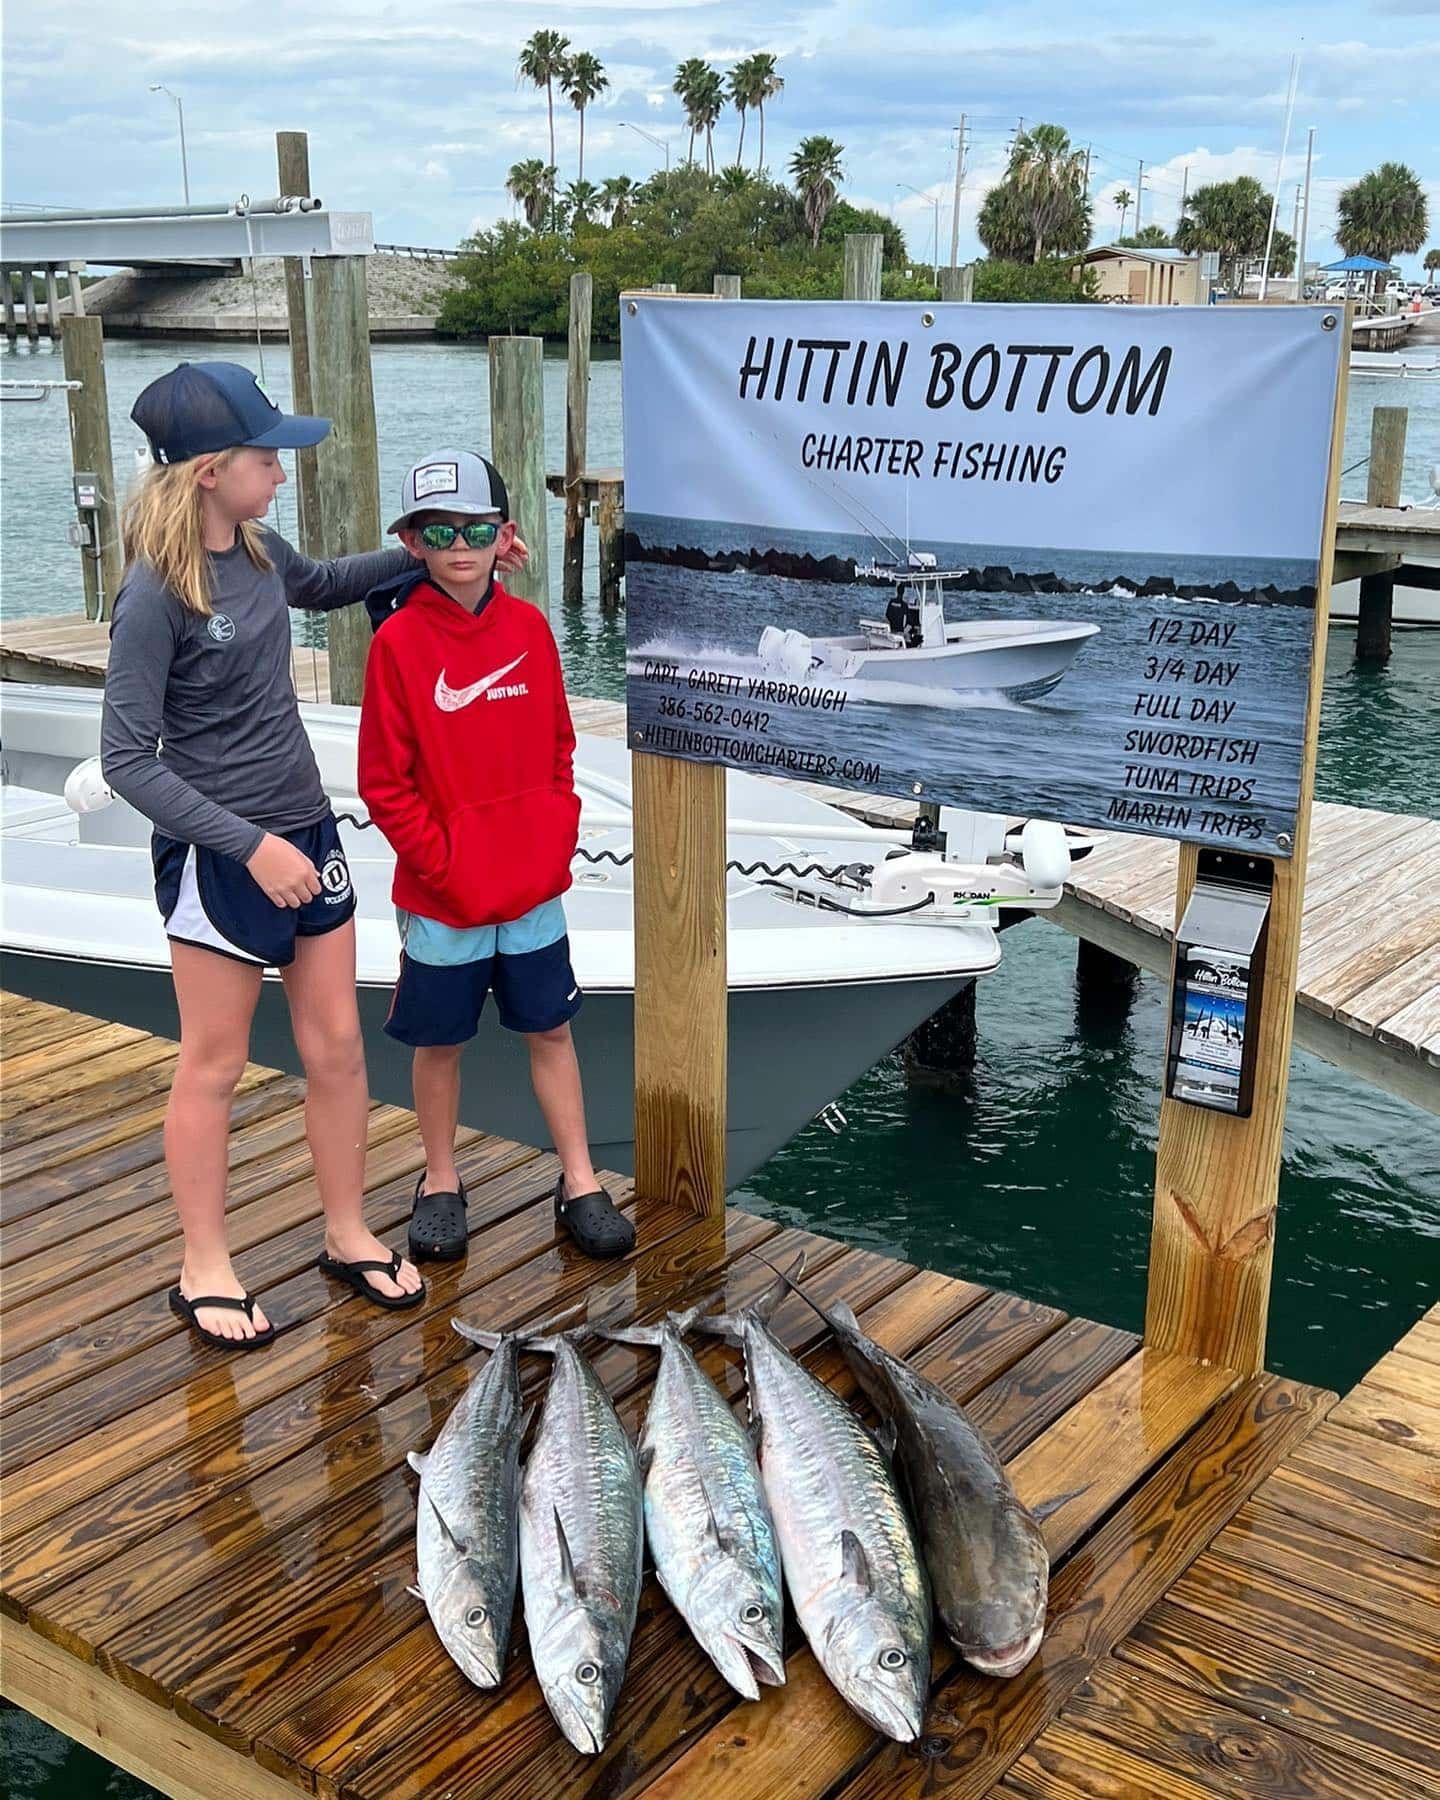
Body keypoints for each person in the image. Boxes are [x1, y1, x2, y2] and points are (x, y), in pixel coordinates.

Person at [100, 360, 440, 1349]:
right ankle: (203, 1264)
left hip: (308, 832)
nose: (282, 472)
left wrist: (426, 556)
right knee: (214, 1063)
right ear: (210, 469)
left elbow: (325, 585)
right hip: (224, 856)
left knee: (337, 1047)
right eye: (266, 457)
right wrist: (249, 848)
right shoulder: (155, 597)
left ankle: (344, 1230)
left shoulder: (258, 550)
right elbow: (125, 759)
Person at [358, 450, 634, 1263]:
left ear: (504, 534)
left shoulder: (530, 628)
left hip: (532, 894)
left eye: (476, 528)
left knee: (550, 1030)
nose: (459, 545)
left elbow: (559, 747)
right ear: (412, 541)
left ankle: (579, 1179)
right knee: (438, 1044)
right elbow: (383, 783)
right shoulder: (398, 643)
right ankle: (439, 1180)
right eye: (437, 530)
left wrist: (555, 832)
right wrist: (444, 865)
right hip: (444, 903)